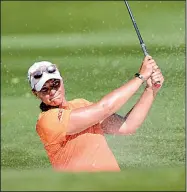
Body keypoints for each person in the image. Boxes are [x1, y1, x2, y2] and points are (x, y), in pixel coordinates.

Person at [27, 56, 164, 172]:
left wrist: (151, 89)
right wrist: (140, 77)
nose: (52, 91)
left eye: (55, 83)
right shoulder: (47, 121)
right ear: (35, 93)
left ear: (62, 81)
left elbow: (127, 126)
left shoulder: (81, 105)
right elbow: (104, 108)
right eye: (44, 89)